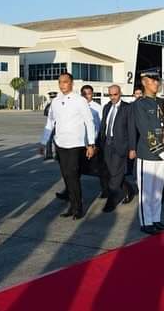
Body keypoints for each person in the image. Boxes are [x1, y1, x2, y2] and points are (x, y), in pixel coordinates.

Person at [38, 73, 96, 220]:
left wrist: (91, 144)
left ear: (71, 83)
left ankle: (78, 208)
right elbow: (50, 123)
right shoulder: (56, 101)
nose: (62, 85)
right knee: (66, 176)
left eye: (65, 82)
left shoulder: (80, 100)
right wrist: (44, 142)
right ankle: (72, 205)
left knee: (73, 176)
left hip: (75, 144)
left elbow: (89, 122)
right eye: (60, 82)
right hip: (61, 144)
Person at [133, 69, 164, 234]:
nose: (156, 83)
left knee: (158, 190)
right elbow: (145, 130)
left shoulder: (160, 102)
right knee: (146, 190)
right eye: (152, 80)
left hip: (162, 153)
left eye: (157, 80)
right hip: (148, 153)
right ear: (144, 82)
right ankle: (146, 221)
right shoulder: (140, 104)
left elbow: (162, 126)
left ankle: (156, 218)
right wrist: (159, 150)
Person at [100, 85, 136, 212]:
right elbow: (103, 126)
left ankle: (112, 200)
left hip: (121, 145)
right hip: (107, 144)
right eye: (110, 95)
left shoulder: (128, 108)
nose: (113, 97)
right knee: (113, 172)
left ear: (120, 93)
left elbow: (132, 129)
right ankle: (128, 189)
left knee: (115, 174)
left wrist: (132, 148)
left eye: (115, 94)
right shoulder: (106, 107)